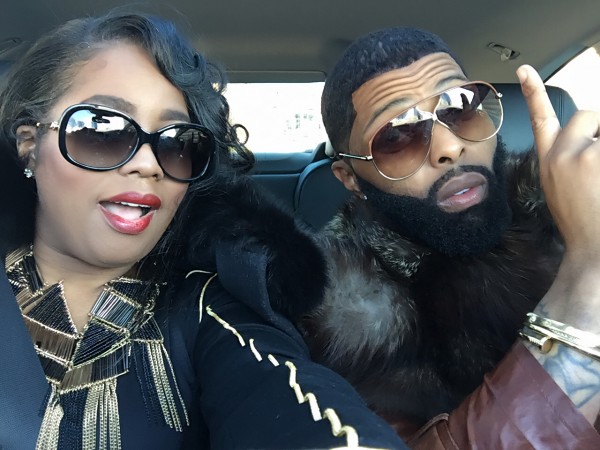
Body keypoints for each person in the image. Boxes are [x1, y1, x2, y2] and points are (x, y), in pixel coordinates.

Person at [0, 12, 409, 449]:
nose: (149, 164)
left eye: (177, 142)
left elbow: (281, 391)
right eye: (104, 129)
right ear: (29, 144)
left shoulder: (207, 310)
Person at [301, 27, 600, 448]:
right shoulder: (341, 330)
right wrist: (587, 278)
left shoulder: (573, 204)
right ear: (350, 178)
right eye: (395, 134)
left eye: (459, 107)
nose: (449, 146)